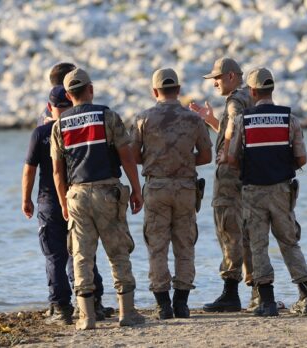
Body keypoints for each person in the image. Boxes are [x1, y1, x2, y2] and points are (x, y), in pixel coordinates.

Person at [50, 68, 145, 330]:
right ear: (90, 89)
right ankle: (127, 313)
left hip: (77, 194)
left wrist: (62, 201)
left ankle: (87, 317)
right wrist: (137, 190)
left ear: (69, 95)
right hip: (107, 192)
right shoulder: (108, 116)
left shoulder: (59, 125)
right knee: (118, 252)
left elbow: (58, 171)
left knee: (81, 255)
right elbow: (126, 156)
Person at [226, 67, 307, 317]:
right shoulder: (290, 119)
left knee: (258, 244)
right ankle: (306, 298)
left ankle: (266, 301)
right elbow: (302, 158)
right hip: (282, 190)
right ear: (272, 89)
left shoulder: (244, 119)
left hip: (253, 190)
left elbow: (232, 158)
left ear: (253, 91)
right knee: (289, 242)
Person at [21, 86, 112, 325]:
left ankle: (61, 308)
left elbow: (29, 170)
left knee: (55, 256)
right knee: (83, 253)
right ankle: (93, 302)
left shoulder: (41, 133)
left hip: (50, 201)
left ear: (50, 108)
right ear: (71, 103)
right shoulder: (81, 129)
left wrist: (26, 199)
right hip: (77, 198)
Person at [132, 68, 213, 319]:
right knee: (185, 245)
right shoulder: (194, 120)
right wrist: (184, 162)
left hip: (156, 188)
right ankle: (182, 304)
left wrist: (157, 161)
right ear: (178, 90)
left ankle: (163, 305)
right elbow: (207, 156)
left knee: (157, 247)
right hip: (186, 189)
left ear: (155, 91)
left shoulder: (142, 118)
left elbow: (133, 155)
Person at [189, 57, 256, 312]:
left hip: (230, 180)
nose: (214, 83)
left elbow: (237, 128)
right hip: (247, 177)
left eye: (217, 78)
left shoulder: (235, 102)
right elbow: (237, 133)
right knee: (248, 231)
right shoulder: (250, 98)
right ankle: (258, 291)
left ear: (230, 76)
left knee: (228, 229)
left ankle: (230, 294)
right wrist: (211, 121)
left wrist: (229, 156)